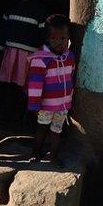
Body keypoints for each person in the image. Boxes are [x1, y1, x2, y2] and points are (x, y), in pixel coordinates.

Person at [0, 0, 48, 121]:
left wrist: (41, 56)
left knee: (26, 86)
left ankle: (24, 115)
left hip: (29, 56)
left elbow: (43, 35)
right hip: (10, 53)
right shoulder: (11, 8)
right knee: (9, 83)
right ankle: (8, 113)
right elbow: (3, 30)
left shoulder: (39, 11)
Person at [27, 14, 75, 166]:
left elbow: (71, 76)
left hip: (63, 105)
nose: (59, 42)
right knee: (42, 128)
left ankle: (53, 156)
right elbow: (34, 85)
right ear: (47, 38)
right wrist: (34, 105)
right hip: (46, 105)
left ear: (69, 38)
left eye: (63, 38)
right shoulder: (40, 58)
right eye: (54, 38)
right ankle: (36, 152)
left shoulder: (70, 56)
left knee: (57, 130)